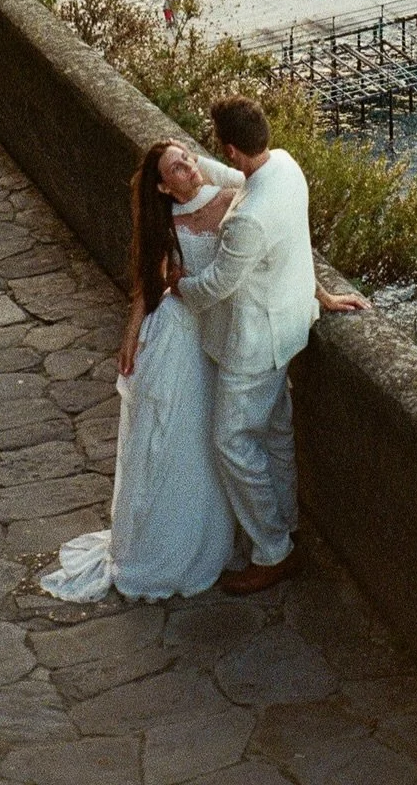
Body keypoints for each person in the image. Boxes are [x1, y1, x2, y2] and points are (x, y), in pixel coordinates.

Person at [173, 95, 368, 595]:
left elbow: (217, 284)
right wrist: (321, 295)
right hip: (290, 328)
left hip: (253, 345)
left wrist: (177, 287)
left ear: (233, 147)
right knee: (277, 432)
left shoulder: (246, 220)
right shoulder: (285, 167)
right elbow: (294, 240)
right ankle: (287, 520)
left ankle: (273, 551)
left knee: (232, 442)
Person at [40, 139, 241, 601]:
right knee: (169, 438)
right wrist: (131, 334)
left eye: (188, 158)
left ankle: (205, 535)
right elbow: (149, 283)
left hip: (215, 331)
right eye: (177, 167)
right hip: (176, 333)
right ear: (162, 186)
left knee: (208, 436)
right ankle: (160, 546)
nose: (189, 167)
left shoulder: (229, 198)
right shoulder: (164, 221)